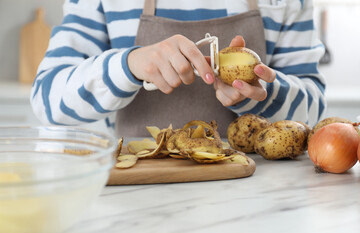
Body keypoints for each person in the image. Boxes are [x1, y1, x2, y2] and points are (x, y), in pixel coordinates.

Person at [30, 0, 326, 137]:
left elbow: (313, 112)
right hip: (139, 197)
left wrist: (260, 94)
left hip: (257, 197)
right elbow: (47, 99)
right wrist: (128, 66)